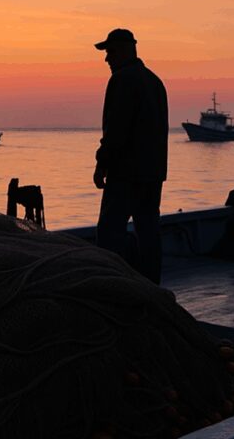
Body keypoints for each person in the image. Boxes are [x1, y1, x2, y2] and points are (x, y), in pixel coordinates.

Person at [93, 29, 169, 284]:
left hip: (126, 174)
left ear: (126, 50)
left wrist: (102, 164)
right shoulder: (155, 82)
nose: (107, 59)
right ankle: (152, 288)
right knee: (149, 233)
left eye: (111, 52)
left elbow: (116, 130)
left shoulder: (122, 80)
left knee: (109, 234)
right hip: (153, 173)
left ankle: (112, 288)